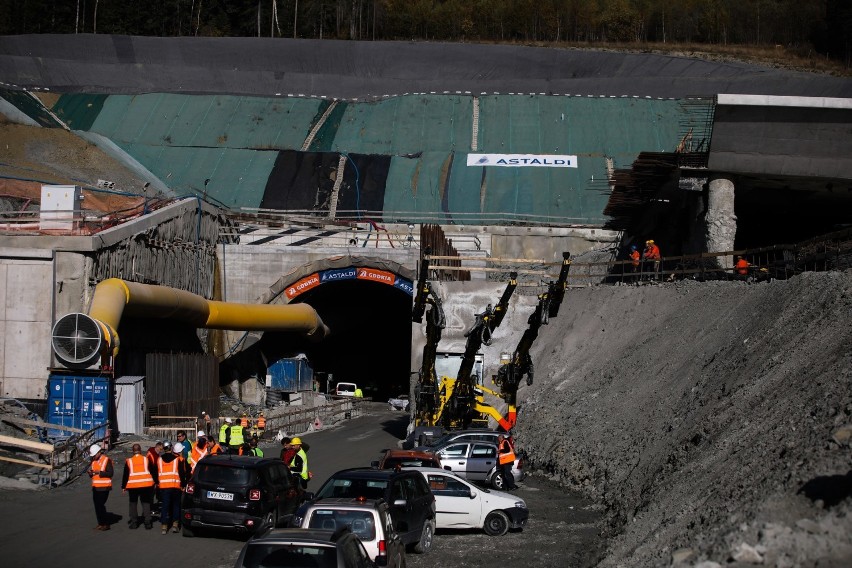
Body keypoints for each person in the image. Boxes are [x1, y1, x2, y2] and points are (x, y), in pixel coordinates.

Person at [122, 443, 157, 529]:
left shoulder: (129, 461)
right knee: (146, 503)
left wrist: (123, 487)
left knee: (133, 504)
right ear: (140, 450)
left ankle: (134, 522)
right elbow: (153, 471)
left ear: (133, 451)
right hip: (146, 485)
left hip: (133, 486)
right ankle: (147, 522)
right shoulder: (146, 459)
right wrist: (156, 481)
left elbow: (125, 475)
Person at [158, 441, 189, 534]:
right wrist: (183, 485)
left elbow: (157, 473)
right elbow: (181, 473)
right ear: (171, 448)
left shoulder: (159, 460)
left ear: (163, 449)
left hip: (164, 486)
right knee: (176, 505)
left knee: (165, 506)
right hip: (175, 486)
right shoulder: (176, 460)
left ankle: (164, 526)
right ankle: (175, 524)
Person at [88, 443, 114, 531]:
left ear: (99, 452)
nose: (94, 456)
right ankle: (101, 523)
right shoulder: (93, 461)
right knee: (97, 506)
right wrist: (91, 474)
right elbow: (93, 475)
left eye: (94, 455)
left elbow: (110, 473)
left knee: (100, 505)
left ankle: (105, 523)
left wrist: (100, 472)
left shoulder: (106, 460)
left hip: (104, 487)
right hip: (95, 487)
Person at [145, 441, 164, 515]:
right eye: (160, 449)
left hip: (151, 477)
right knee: (151, 495)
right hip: (150, 478)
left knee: (152, 495)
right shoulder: (152, 455)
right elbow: (153, 469)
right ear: (157, 447)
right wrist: (156, 481)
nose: (161, 451)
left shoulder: (154, 453)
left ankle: (150, 508)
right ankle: (150, 509)